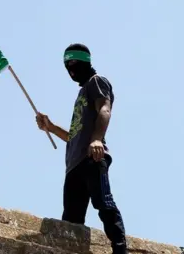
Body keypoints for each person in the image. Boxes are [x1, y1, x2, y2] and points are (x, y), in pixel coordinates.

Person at [36, 43, 128, 254]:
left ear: (86, 62)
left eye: (74, 64)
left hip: (91, 157)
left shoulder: (96, 82)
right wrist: (50, 127)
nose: (71, 70)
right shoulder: (80, 95)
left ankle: (121, 250)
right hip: (74, 166)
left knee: (103, 203)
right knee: (71, 219)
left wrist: (97, 140)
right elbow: (74, 136)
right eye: (67, 66)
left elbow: (105, 108)